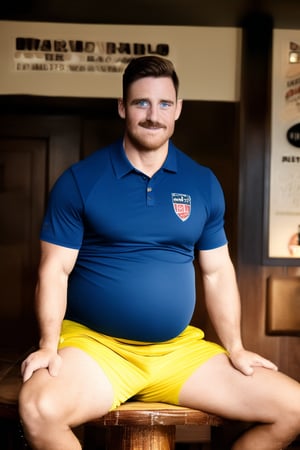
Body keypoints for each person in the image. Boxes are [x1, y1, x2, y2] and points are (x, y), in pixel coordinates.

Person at [19, 55, 300, 450]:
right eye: (141, 103)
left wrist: (235, 347)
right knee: (38, 408)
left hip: (177, 352)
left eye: (164, 104)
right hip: (99, 350)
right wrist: (49, 345)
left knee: (294, 407)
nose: (154, 115)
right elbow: (54, 270)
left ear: (178, 109)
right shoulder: (80, 181)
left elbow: (218, 271)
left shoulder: (202, 183)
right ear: (122, 108)